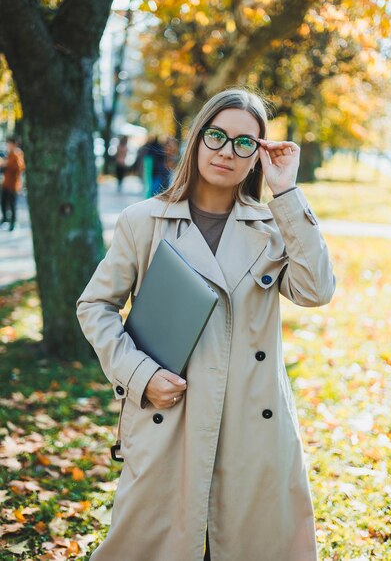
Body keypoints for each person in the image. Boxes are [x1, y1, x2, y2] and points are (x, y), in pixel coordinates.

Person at [76, 88, 335, 561]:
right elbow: (95, 306)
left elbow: (317, 290)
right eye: (216, 136)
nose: (226, 151)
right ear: (197, 140)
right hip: (170, 414)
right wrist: (139, 375)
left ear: (257, 155)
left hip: (253, 424)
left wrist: (288, 192)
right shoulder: (144, 222)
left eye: (243, 142)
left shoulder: (272, 227)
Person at [0, 135, 25, 231]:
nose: (8, 145)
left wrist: (7, 165)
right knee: (3, 202)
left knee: (12, 204)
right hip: (6, 183)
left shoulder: (17, 154)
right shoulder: (9, 153)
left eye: (9, 143)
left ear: (14, 144)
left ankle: (13, 223)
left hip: (14, 184)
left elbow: (20, 167)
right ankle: (5, 219)